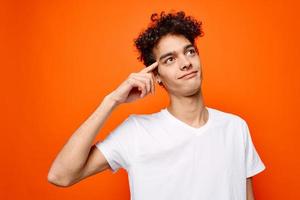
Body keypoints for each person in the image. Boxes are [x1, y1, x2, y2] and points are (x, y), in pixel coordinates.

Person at [47, 10, 266, 200]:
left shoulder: (235, 128)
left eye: (189, 51)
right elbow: (61, 175)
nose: (185, 63)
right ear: (156, 75)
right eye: (170, 59)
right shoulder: (137, 132)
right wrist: (112, 100)